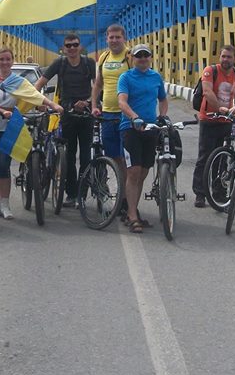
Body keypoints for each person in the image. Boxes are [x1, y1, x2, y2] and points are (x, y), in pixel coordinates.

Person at [0, 47, 62, 219]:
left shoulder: (18, 82)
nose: (5, 62)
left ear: (12, 61)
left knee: (3, 165)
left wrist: (53, 105)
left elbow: (34, 95)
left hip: (8, 130)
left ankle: (6, 205)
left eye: (8, 59)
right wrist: (1, 111)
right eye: (2, 59)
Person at [35, 33, 96, 207]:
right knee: (68, 156)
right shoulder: (59, 63)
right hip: (66, 113)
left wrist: (90, 102)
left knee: (85, 156)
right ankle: (71, 193)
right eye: (68, 46)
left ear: (80, 46)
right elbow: (38, 84)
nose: (71, 48)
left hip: (86, 114)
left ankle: (82, 195)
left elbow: (97, 86)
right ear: (63, 48)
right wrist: (39, 101)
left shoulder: (89, 63)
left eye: (75, 45)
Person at [191, 44, 235, 208]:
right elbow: (207, 92)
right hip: (209, 119)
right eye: (223, 56)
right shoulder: (211, 71)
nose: (225, 60)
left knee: (224, 158)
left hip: (227, 121)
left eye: (229, 57)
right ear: (220, 57)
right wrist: (220, 109)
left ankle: (218, 192)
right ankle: (200, 194)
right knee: (204, 157)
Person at [117, 43, 168, 234]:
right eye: (139, 56)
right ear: (132, 58)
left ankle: (132, 211)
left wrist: (162, 116)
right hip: (131, 128)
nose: (143, 59)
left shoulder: (156, 77)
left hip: (151, 129)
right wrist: (134, 116)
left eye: (146, 55)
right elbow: (122, 101)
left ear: (150, 58)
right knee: (133, 172)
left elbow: (162, 99)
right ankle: (132, 215)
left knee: (143, 173)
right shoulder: (126, 77)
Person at [92, 23, 132, 195]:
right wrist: (94, 105)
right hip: (107, 113)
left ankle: (126, 199)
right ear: (106, 39)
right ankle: (121, 195)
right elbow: (98, 84)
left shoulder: (130, 56)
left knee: (128, 159)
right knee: (114, 157)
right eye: (111, 37)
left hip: (126, 114)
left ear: (124, 38)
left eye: (118, 37)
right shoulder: (104, 58)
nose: (114, 40)